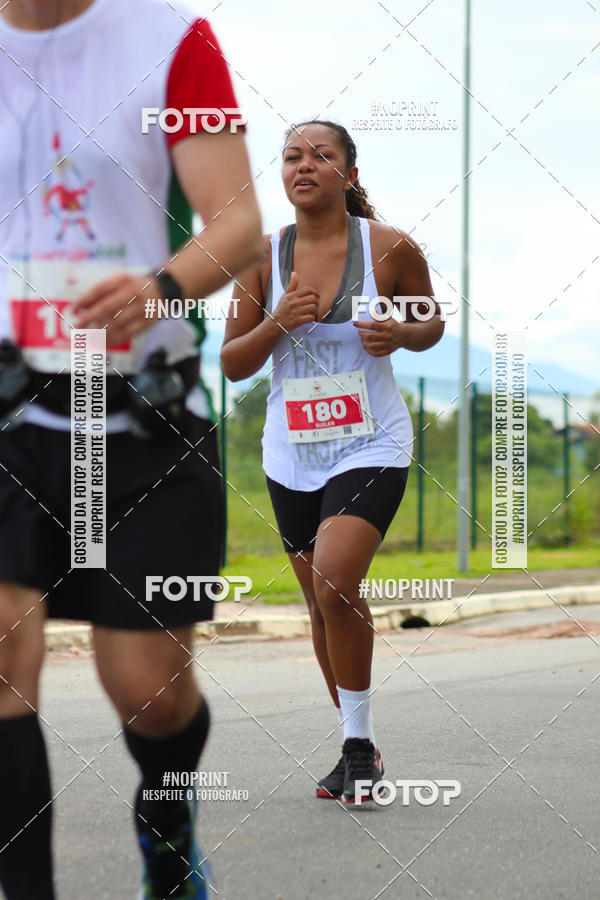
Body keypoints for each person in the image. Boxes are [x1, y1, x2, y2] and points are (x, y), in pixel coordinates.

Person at [0, 1, 262, 898]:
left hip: (142, 415)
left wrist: (160, 288)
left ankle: (167, 818)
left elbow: (236, 223)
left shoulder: (169, 41)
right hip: (9, 409)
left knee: (148, 687)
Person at [221, 119, 444, 804]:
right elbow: (232, 363)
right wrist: (275, 322)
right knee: (321, 607)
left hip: (372, 443)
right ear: (281, 174)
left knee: (335, 580)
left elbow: (432, 322)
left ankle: (356, 752)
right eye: (291, 157)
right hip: (292, 454)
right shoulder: (262, 258)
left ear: (349, 172)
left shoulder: (391, 247)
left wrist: (400, 335)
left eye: (321, 155)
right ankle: (357, 742)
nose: (304, 165)